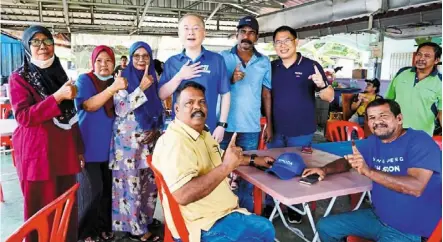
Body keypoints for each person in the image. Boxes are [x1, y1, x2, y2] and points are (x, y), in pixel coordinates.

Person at [302, 99, 441, 242]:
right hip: (379, 217)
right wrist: (324, 169)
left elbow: (415, 187)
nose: (377, 121)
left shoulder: (419, 141)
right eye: (372, 118)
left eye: (383, 116)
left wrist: (369, 172)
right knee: (326, 226)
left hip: (410, 229)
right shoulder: (373, 142)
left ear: (399, 119)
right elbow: (349, 161)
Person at [153, 81, 276, 242]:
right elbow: (183, 195)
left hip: (220, 213)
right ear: (176, 109)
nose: (197, 107)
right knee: (260, 235)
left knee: (266, 228)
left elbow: (221, 156)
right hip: (202, 225)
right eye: (189, 103)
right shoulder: (176, 142)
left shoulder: (202, 133)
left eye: (202, 102)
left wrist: (253, 159)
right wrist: (226, 168)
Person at [9, 25, 83, 242]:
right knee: (39, 208)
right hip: (37, 155)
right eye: (36, 42)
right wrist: (57, 97)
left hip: (64, 152)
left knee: (65, 205)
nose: (43, 46)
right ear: (27, 46)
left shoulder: (59, 72)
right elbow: (24, 116)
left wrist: (79, 149)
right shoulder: (19, 78)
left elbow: (72, 117)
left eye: (47, 41)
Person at [264, 25, 335, 223]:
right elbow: (266, 95)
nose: (283, 45)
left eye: (287, 40)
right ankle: (271, 204)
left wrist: (322, 84)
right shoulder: (271, 67)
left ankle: (295, 206)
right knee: (273, 167)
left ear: (296, 42)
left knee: (298, 169)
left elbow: (329, 97)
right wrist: (268, 125)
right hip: (276, 130)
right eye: (278, 42)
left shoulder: (310, 65)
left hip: (301, 130)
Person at [109, 41, 163, 241]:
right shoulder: (122, 78)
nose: (141, 59)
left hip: (148, 141)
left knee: (148, 184)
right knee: (130, 184)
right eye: (137, 56)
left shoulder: (153, 78)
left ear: (150, 57)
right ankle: (137, 229)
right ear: (131, 58)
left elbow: (156, 108)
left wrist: (156, 130)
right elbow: (121, 108)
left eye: (145, 56)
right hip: (127, 143)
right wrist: (141, 87)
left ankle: (145, 219)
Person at [219, 16, 272, 212]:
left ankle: (246, 215)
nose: (246, 36)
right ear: (236, 34)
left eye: (251, 32)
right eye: (243, 32)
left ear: (256, 37)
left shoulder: (264, 62)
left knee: (248, 177)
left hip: (251, 127)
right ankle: (222, 214)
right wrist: (229, 79)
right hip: (223, 125)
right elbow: (213, 87)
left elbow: (267, 93)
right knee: (220, 173)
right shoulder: (223, 57)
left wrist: (269, 125)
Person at [75, 45, 128, 242]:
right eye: (99, 61)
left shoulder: (119, 83)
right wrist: (113, 88)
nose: (104, 65)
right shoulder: (85, 80)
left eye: (108, 61)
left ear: (114, 63)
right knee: (92, 192)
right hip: (89, 148)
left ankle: (103, 227)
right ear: (93, 63)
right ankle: (84, 233)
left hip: (112, 150)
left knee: (108, 192)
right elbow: (88, 105)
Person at [158, 13, 230, 143]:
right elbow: (161, 95)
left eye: (196, 28)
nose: (191, 32)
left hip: (209, 129)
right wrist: (179, 76)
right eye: (186, 28)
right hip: (180, 130)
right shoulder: (171, 62)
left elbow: (226, 94)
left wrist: (222, 125)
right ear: (179, 34)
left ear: (204, 33)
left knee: (209, 163)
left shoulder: (217, 60)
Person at [385, 42, 442, 136]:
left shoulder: (440, 82)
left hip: (422, 133)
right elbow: (388, 100)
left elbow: (441, 112)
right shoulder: (402, 73)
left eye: (427, 56)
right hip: (396, 129)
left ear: (436, 60)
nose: (421, 58)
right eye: (419, 54)